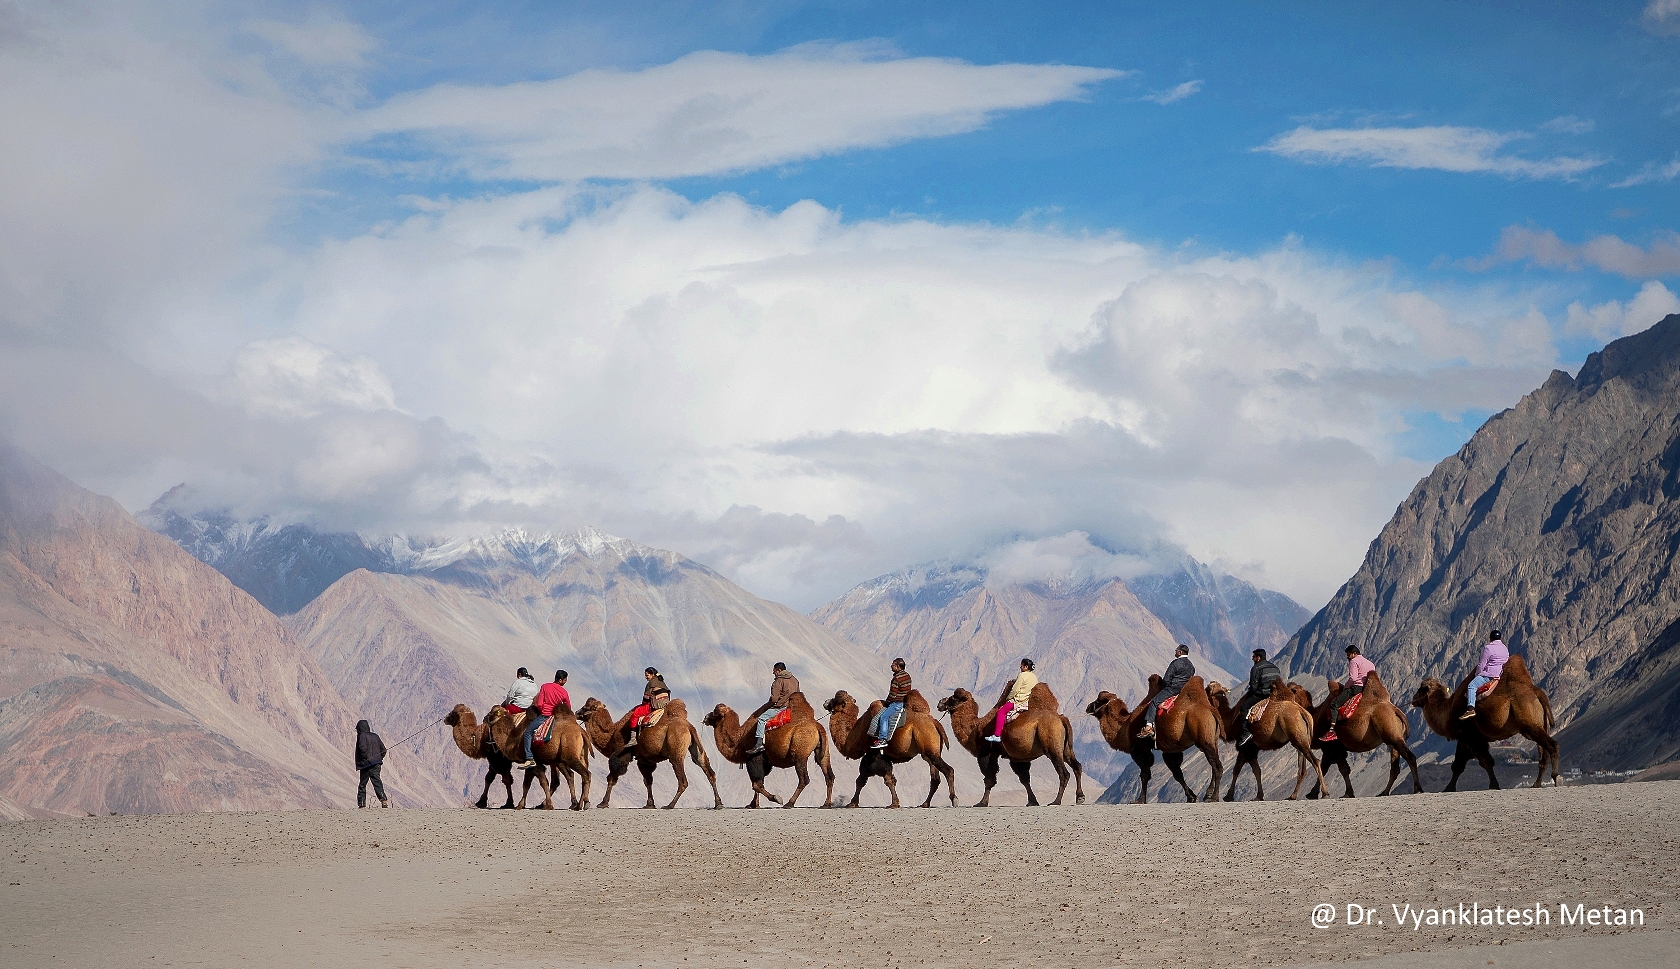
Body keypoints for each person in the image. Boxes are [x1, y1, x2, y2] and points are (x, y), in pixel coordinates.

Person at [516, 670, 571, 769]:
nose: (565, 682)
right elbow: (568, 707)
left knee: (528, 732)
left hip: (545, 716)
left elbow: (540, 704)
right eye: (565, 680)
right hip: (556, 718)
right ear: (560, 680)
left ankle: (529, 758)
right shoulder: (564, 692)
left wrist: (543, 711)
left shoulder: (545, 686)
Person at [1320, 645, 1376, 742]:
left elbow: (1353, 679)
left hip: (1356, 688)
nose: (1347, 657)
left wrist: (1346, 687)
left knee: (1334, 704)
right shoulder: (1370, 663)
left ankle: (1332, 731)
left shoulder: (1354, 661)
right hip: (1367, 689)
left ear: (1354, 653)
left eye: (1348, 654)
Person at [1137, 645, 1194, 740]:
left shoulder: (1175, 663)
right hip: (1184, 691)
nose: (1175, 652)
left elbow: (1167, 679)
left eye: (1176, 651)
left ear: (1180, 652)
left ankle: (1149, 727)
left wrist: (1164, 687)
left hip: (1173, 689)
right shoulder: (1191, 666)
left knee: (1154, 702)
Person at [747, 662, 799, 755]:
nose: (773, 673)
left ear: (779, 670)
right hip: (793, 708)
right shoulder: (794, 680)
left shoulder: (778, 681)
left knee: (762, 719)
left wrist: (768, 705)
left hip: (781, 707)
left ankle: (759, 744)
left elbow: (774, 699)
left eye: (774, 671)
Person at [1234, 648, 1282, 746]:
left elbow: (1254, 687)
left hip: (1262, 694)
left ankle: (1246, 732)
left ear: (1258, 658)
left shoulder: (1256, 668)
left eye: (1254, 657)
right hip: (1274, 695)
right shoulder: (1275, 668)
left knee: (1243, 708)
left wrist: (1249, 694)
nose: (1252, 659)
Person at [985, 658, 1039, 743]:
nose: (1020, 668)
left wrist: (1009, 698)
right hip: (1026, 702)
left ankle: (997, 735)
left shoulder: (1022, 675)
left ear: (1025, 667)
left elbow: (1015, 689)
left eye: (1021, 666)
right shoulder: (1034, 677)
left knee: (1000, 712)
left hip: (1017, 701)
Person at [1463, 630, 1509, 719]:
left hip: (1489, 675)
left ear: (1490, 638)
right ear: (1500, 638)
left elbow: (1482, 664)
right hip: (1500, 674)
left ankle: (1470, 708)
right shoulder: (1505, 648)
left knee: (1471, 686)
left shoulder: (1488, 648)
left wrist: (1477, 674)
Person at [869, 658, 913, 749]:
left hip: (897, 703)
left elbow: (892, 694)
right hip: (904, 702)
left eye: (893, 665)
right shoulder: (907, 676)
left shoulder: (896, 679)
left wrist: (887, 703)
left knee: (884, 717)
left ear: (898, 666)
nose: (891, 666)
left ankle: (882, 739)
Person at [626, 667, 671, 748]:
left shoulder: (651, 684)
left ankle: (633, 739)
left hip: (655, 706)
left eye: (647, 675)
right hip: (665, 704)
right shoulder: (661, 682)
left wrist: (643, 705)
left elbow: (646, 699)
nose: (646, 677)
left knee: (635, 714)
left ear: (652, 674)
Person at [354, 719, 390, 809]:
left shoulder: (362, 736)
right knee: (377, 781)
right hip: (377, 763)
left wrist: (364, 759)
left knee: (362, 784)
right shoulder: (375, 736)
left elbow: (362, 749)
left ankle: (361, 804)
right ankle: (383, 799)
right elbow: (383, 750)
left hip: (366, 764)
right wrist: (379, 758)